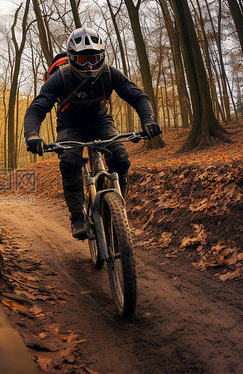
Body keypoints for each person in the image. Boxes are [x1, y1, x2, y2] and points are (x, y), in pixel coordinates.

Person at [23, 26, 161, 240]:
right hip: (70, 127)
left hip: (101, 122)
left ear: (102, 56)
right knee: (69, 162)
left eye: (94, 59)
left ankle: (118, 208)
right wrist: (32, 135)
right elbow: (37, 108)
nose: (88, 65)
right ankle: (77, 217)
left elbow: (138, 97)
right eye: (81, 60)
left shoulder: (109, 72)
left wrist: (148, 120)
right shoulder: (60, 77)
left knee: (121, 158)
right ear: (70, 58)